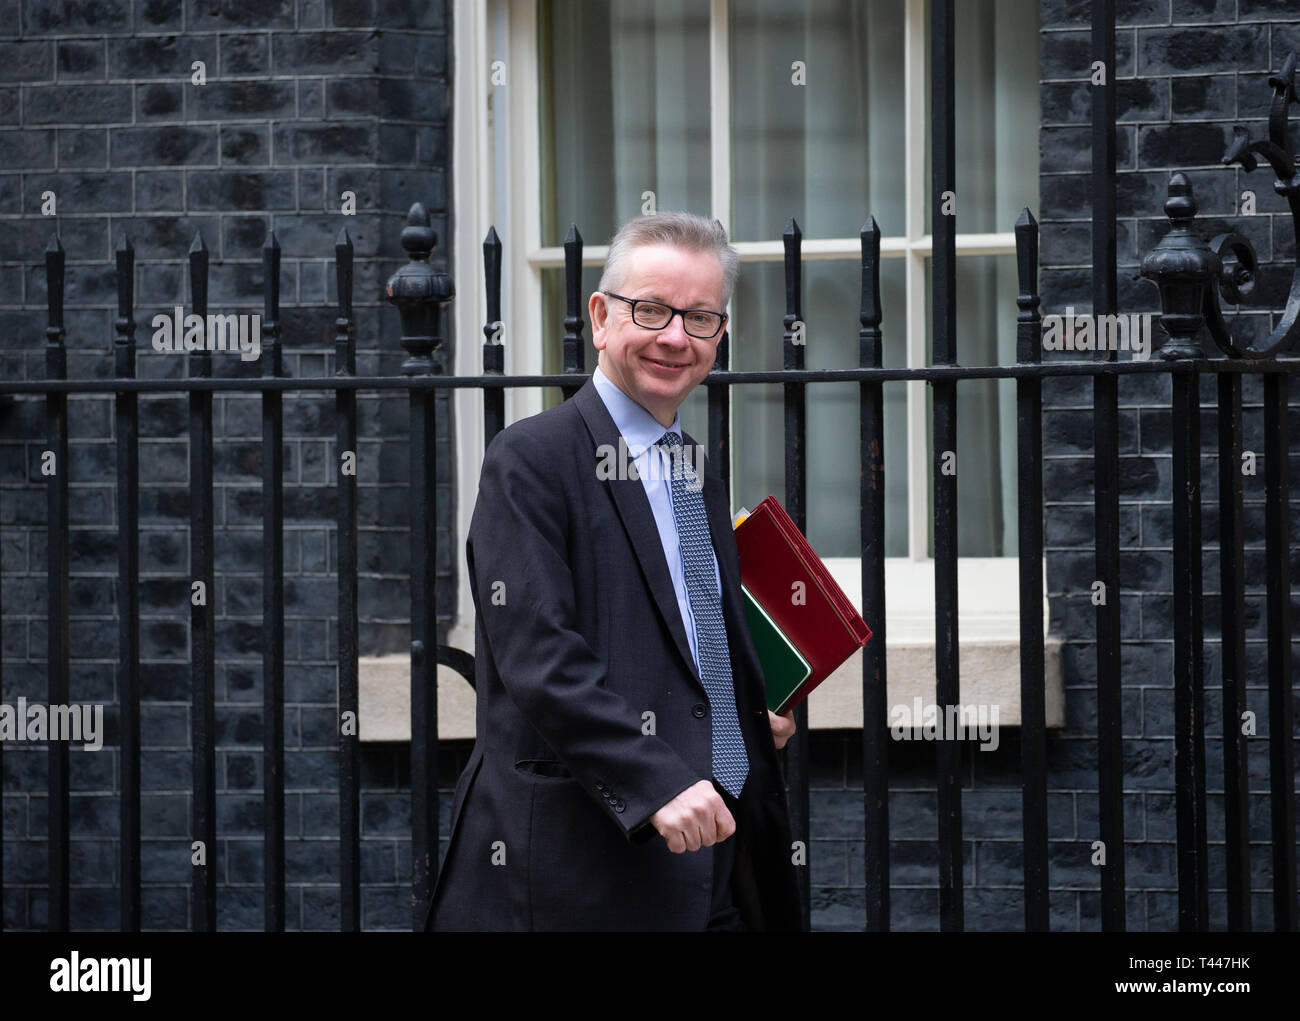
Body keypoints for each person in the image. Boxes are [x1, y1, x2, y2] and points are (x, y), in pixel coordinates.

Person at [424, 211, 803, 931]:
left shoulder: (693, 468)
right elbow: (541, 660)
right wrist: (658, 779)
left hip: (715, 869)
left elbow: (695, 641)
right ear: (601, 317)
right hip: (584, 871)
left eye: (699, 317)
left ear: (718, 337)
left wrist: (740, 721)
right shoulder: (531, 459)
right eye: (652, 309)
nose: (674, 337)